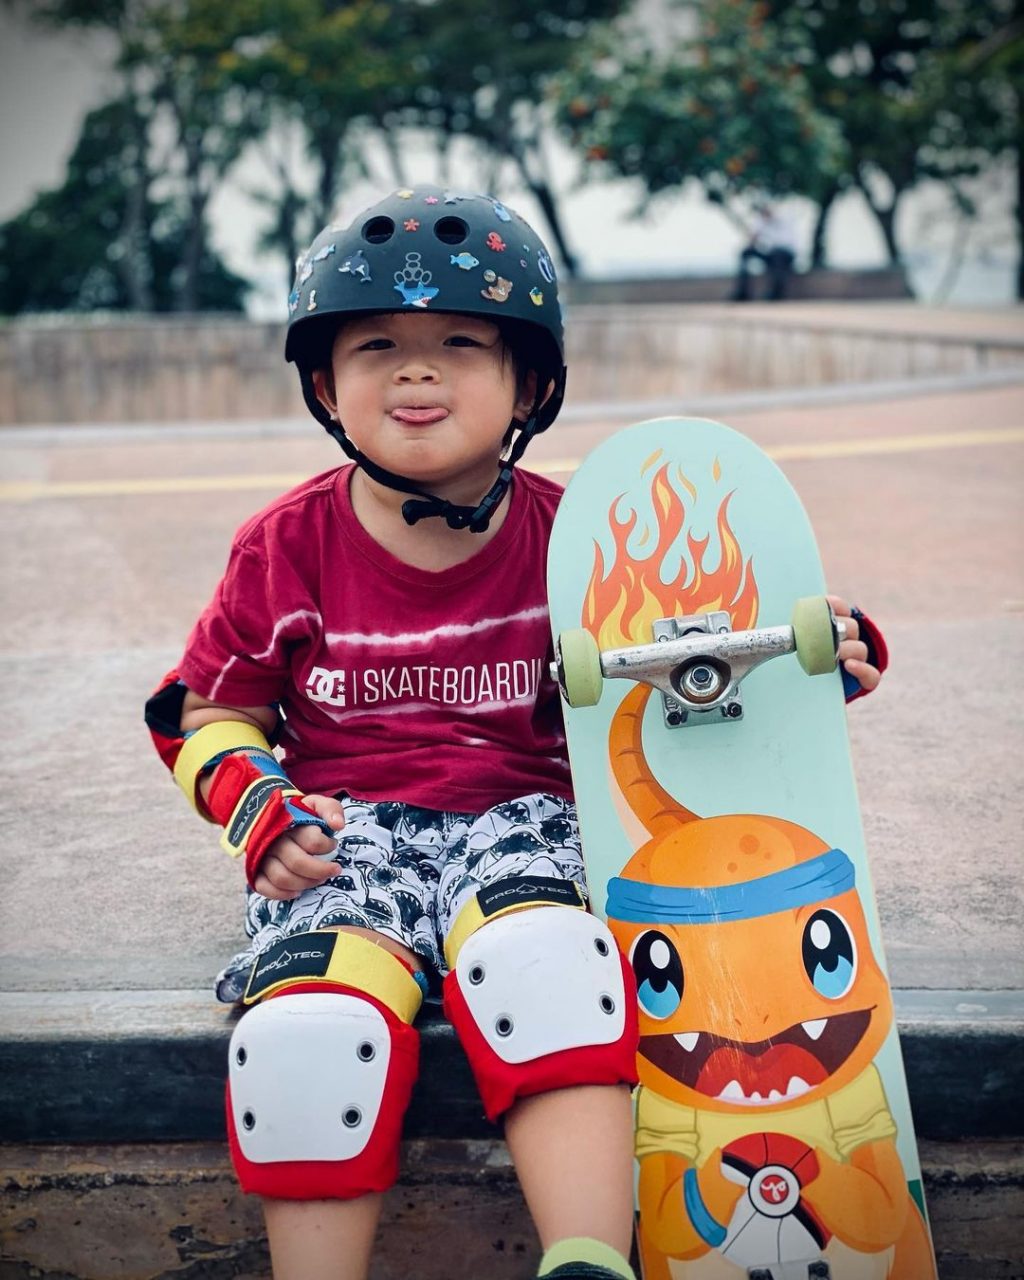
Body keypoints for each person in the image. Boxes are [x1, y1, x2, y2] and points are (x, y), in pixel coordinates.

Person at [144, 186, 887, 1280]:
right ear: (324, 385)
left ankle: (586, 1261)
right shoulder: (286, 545)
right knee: (305, 1035)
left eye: (459, 343)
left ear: (529, 383)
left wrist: (816, 650)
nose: (416, 373)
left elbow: (689, 662)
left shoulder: (583, 537)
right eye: (377, 346)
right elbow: (204, 709)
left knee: (547, 965)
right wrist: (259, 804)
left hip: (524, 825)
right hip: (345, 838)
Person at [732, 201, 800, 302]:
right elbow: (753, 239)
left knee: (778, 255)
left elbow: (785, 243)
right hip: (770, 254)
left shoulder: (784, 219)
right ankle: (742, 291)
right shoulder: (761, 221)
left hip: (785, 254)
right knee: (746, 252)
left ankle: (776, 293)